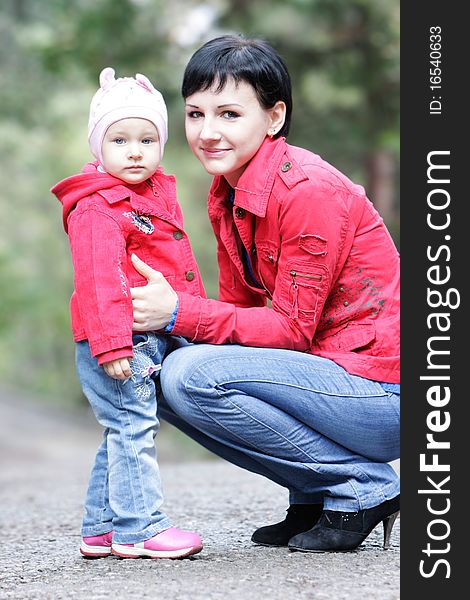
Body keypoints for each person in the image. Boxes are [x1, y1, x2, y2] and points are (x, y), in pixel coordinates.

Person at [129, 34, 400, 554]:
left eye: (229, 114)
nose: (207, 133)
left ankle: (364, 487)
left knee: (191, 373)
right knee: (156, 369)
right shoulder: (229, 189)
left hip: (385, 393)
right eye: (195, 114)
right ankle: (315, 494)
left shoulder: (307, 191)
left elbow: (289, 331)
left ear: (273, 118)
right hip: (328, 381)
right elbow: (243, 317)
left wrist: (179, 312)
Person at [51, 67, 204, 559]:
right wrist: (113, 344)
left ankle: (100, 528)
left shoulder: (147, 197)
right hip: (119, 340)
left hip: (143, 335)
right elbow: (97, 281)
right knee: (134, 428)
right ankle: (140, 529)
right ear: (99, 147)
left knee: (122, 426)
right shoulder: (98, 207)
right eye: (119, 140)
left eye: (146, 139)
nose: (134, 151)